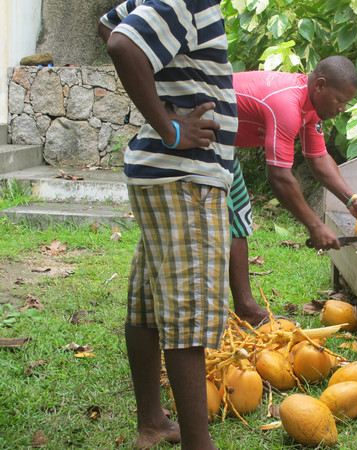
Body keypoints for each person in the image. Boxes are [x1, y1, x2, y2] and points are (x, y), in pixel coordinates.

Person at [98, 1, 237, 448]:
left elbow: (110, 25)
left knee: (149, 306)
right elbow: (122, 43)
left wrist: (160, 104)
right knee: (188, 311)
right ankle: (199, 444)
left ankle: (153, 422)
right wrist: (170, 127)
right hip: (186, 179)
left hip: (165, 177)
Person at [225, 57, 357, 325]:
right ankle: (244, 307)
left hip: (219, 140)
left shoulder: (310, 105)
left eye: (346, 103)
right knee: (237, 217)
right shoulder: (287, 105)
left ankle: (240, 305)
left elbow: (317, 157)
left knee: (236, 218)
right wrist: (315, 226)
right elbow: (280, 177)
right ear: (320, 85)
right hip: (201, 133)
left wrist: (352, 199)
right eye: (339, 100)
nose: (341, 109)